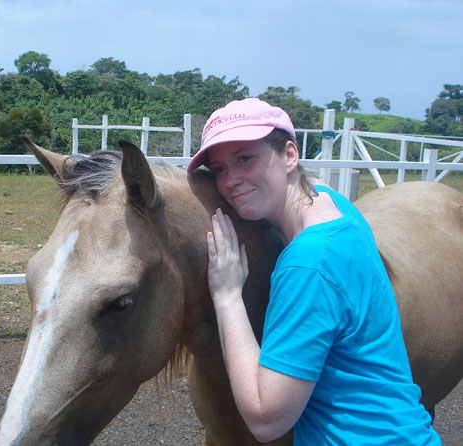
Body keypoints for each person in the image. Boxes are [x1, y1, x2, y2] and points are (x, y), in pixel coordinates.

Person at [186, 98, 440, 445]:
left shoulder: (308, 264)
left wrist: (228, 295)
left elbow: (265, 420)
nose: (230, 180)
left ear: (290, 155)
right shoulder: (335, 205)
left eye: (245, 158)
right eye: (218, 169)